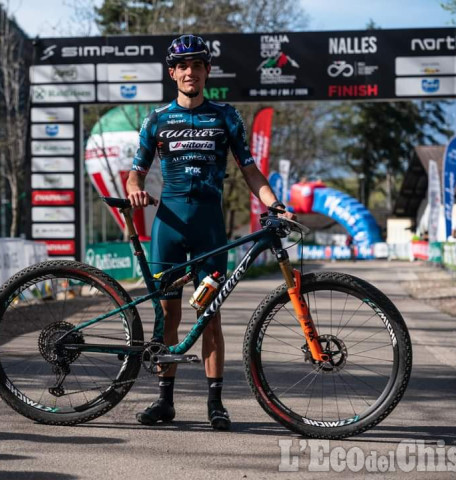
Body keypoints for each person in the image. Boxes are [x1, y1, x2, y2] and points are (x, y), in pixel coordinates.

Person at [126, 34, 294, 431]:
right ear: (173, 73)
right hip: (169, 224)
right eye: (182, 66)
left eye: (197, 65)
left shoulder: (225, 116)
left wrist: (273, 202)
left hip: (209, 226)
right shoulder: (157, 119)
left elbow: (250, 170)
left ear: (207, 71)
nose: (190, 72)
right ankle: (164, 401)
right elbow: (137, 172)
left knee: (209, 313)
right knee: (168, 313)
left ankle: (215, 403)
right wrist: (134, 188)